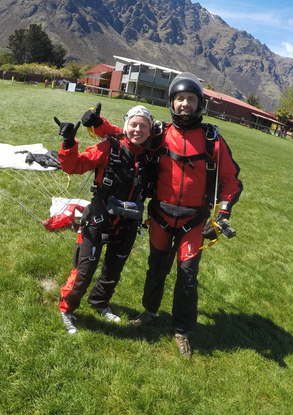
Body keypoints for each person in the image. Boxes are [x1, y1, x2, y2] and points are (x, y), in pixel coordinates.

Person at [84, 73, 242, 357]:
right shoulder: (158, 135)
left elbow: (231, 180)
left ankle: (181, 330)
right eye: (179, 99)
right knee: (155, 268)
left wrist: (222, 213)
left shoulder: (213, 141)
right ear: (172, 103)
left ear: (199, 104)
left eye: (190, 100)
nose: (184, 104)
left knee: (187, 276)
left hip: (193, 222)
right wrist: (98, 125)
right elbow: (128, 135)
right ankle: (150, 311)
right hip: (160, 216)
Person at [54, 105, 158, 335]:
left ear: (150, 130)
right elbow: (73, 166)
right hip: (97, 222)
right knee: (85, 271)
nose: (138, 130)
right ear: (125, 125)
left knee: (113, 271)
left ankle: (99, 302)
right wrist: (69, 143)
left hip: (127, 226)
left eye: (143, 126)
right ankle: (67, 309)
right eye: (133, 124)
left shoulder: (152, 157)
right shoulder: (109, 147)